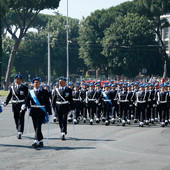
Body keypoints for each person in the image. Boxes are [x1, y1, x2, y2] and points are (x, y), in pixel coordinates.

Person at [26, 77, 52, 148]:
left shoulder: (44, 92)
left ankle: (36, 140)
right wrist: (26, 106)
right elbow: (27, 100)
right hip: (33, 111)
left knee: (38, 125)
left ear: (40, 83)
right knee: (35, 126)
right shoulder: (30, 92)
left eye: (37, 82)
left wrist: (49, 112)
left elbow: (47, 102)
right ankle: (40, 140)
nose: (36, 83)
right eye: (34, 82)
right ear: (32, 84)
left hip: (41, 111)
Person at [3, 74, 28, 139]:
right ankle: (18, 128)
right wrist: (6, 102)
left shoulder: (24, 88)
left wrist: (25, 104)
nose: (17, 80)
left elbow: (27, 97)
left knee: (21, 118)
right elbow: (9, 96)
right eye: (16, 79)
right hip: (14, 105)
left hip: (21, 104)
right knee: (16, 118)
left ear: (21, 80)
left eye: (18, 79)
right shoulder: (12, 87)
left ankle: (20, 131)